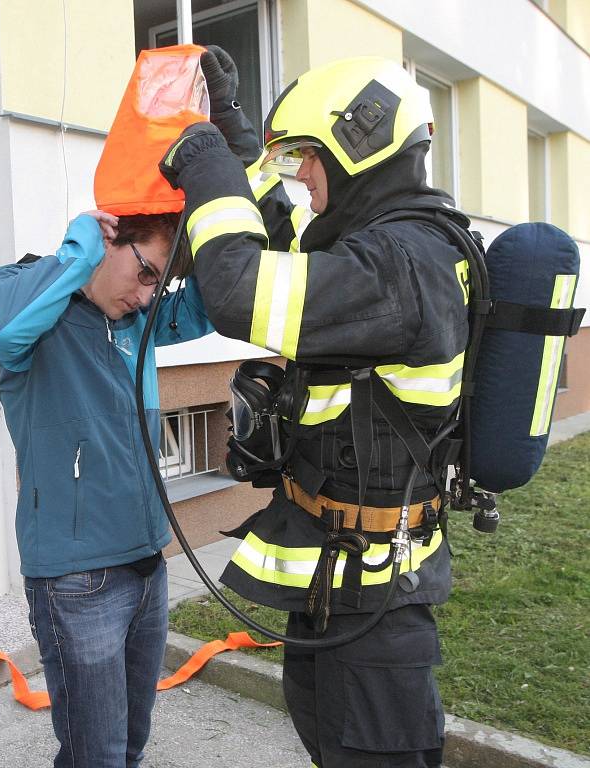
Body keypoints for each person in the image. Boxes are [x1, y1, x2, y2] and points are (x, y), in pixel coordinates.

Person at [159, 50, 471, 768]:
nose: (298, 174)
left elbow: (240, 289)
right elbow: (280, 242)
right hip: (344, 587)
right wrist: (235, 136)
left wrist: (207, 171)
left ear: (361, 148)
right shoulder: (389, 250)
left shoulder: (402, 266)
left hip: (374, 609)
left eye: (308, 157)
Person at [0, 209, 213, 767]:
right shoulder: (27, 298)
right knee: (94, 756)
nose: (149, 297)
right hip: (79, 584)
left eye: (162, 282)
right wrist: (78, 256)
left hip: (147, 565)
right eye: (147, 272)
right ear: (109, 240)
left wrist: (231, 203)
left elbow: (213, 303)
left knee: (128, 745)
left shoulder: (138, 321)